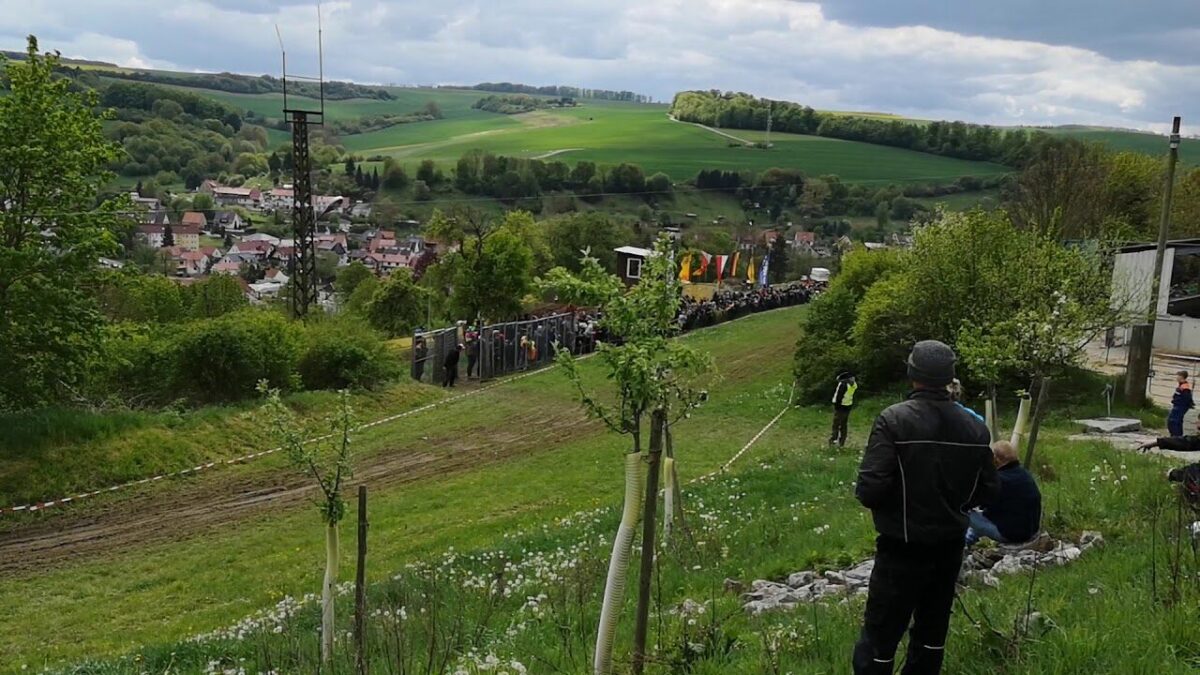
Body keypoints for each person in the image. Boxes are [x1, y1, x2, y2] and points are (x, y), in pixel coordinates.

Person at [853, 340, 999, 675]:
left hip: (900, 546)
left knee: (880, 639)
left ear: (911, 373)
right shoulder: (975, 428)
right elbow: (989, 491)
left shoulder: (894, 420)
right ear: (950, 377)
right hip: (949, 547)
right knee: (932, 637)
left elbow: (870, 489)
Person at [965, 441, 1042, 546]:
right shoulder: (1025, 475)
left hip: (1009, 535)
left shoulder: (998, 480)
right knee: (980, 518)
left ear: (995, 459)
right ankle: (967, 541)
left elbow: (973, 502)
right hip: (1030, 532)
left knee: (959, 510)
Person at [830, 372, 858, 448]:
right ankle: (842, 442)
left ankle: (833, 441)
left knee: (836, 424)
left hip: (840, 406)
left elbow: (839, 396)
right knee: (843, 425)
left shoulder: (843, 385)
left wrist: (836, 405)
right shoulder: (854, 385)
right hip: (848, 406)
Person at [1169, 371, 1194, 437]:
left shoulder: (1185, 387)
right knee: (1177, 421)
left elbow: (1186, 398)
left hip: (1180, 406)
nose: (1176, 377)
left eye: (1178, 376)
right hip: (1179, 406)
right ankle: (1178, 437)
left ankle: (1175, 436)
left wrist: (1176, 402)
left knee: (1173, 421)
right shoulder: (1182, 385)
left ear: (1181, 377)